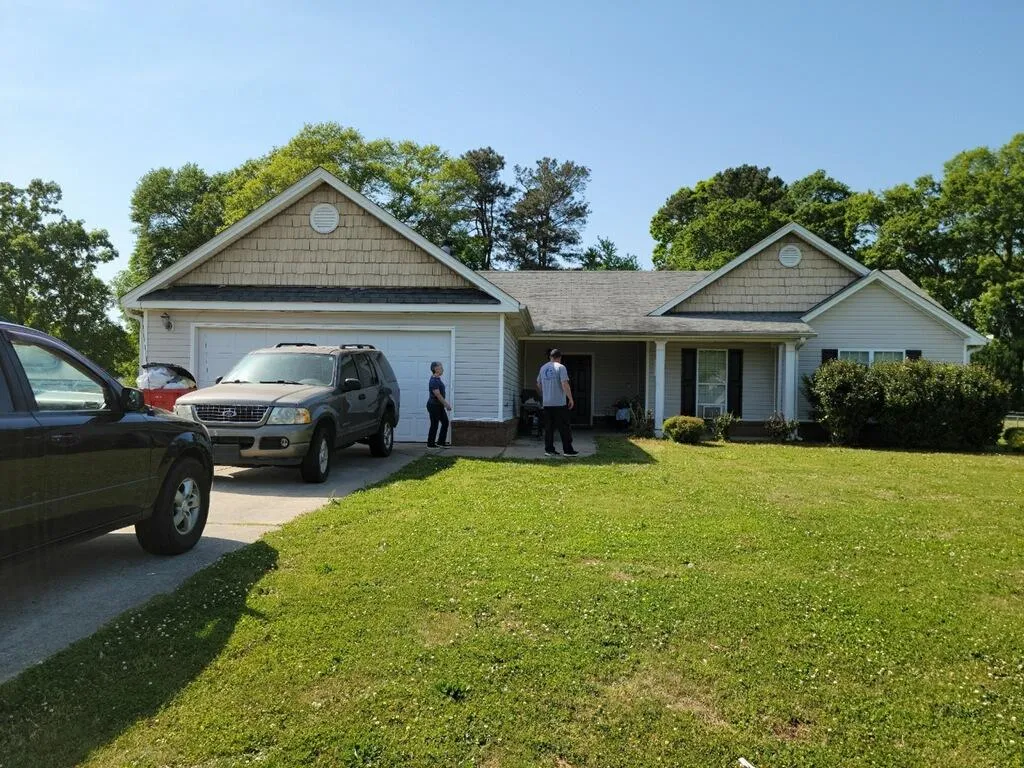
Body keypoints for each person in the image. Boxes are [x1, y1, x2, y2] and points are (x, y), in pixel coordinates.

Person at [536, 348, 579, 457]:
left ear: (550, 357)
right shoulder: (561, 367)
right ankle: (568, 450)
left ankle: (549, 450)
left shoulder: (543, 368)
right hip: (559, 404)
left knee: (549, 428)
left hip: (547, 403)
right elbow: (564, 384)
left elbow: (538, 384)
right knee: (564, 427)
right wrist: (571, 398)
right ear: (559, 358)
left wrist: (545, 393)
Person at [426, 361, 452, 449]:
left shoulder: (437, 379)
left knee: (445, 422)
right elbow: (438, 395)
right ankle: (430, 444)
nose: (443, 369)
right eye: (441, 368)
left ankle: (441, 442)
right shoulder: (433, 380)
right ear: (435, 369)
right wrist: (446, 404)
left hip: (438, 406)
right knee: (434, 424)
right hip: (433, 405)